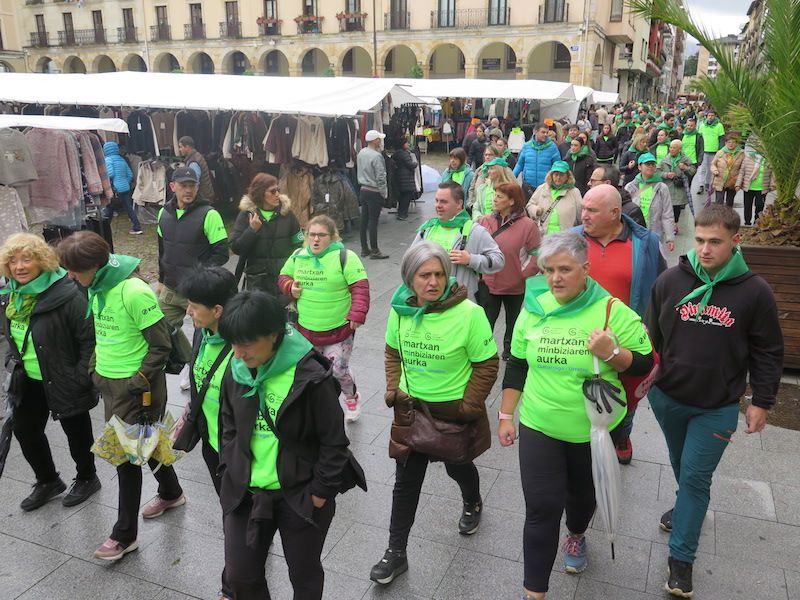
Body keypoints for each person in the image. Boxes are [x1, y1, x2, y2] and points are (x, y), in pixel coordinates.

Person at [497, 231, 654, 600]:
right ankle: (534, 592)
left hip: (594, 430)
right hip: (539, 424)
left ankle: (578, 534)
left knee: (581, 499)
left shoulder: (611, 310)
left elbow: (645, 363)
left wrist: (613, 352)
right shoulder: (532, 308)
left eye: (565, 269)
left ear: (585, 269)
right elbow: (517, 365)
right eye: (549, 269)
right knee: (541, 507)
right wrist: (507, 414)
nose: (555, 278)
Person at [645, 205, 783, 598]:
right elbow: (649, 337)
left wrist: (762, 401)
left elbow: (768, 351)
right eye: (700, 240)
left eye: (715, 242)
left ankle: (681, 561)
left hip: (717, 406)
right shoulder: (671, 280)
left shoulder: (755, 292)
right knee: (681, 467)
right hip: (668, 398)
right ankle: (686, 509)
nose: (704, 250)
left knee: (695, 476)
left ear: (735, 241)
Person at [217, 290, 365, 599]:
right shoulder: (237, 370)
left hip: (299, 494)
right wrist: (232, 465)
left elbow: (333, 441)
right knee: (240, 576)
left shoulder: (311, 376)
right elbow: (228, 423)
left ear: (273, 335)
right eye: (233, 343)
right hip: (247, 492)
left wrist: (320, 494)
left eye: (246, 344)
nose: (238, 353)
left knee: (304, 574)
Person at [370, 242, 499, 586]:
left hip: (453, 415)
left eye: (439, 273)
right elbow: (392, 352)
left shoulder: (469, 313)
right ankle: (395, 553)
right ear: (409, 279)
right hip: (411, 413)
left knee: (459, 468)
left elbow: (487, 364)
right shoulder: (399, 310)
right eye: (424, 275)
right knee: (405, 485)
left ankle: (472, 500)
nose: (433, 281)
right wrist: (393, 389)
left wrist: (469, 407)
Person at [57, 231, 185, 562]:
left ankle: (124, 535)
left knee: (126, 458)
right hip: (111, 385)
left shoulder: (133, 290)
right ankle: (171, 492)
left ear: (94, 266)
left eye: (74, 270)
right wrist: (96, 369)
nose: (70, 276)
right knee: (146, 442)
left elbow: (161, 345)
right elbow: (103, 332)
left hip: (137, 390)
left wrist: (137, 380)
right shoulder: (97, 287)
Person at [0, 233, 99, 511]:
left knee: (75, 431)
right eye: (13, 261)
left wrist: (81, 376)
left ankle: (87, 477)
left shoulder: (66, 295)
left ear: (42, 261)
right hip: (28, 379)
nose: (19, 266)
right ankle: (48, 481)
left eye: (26, 259)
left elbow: (89, 339)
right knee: (25, 431)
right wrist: (12, 362)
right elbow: (13, 337)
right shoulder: (13, 297)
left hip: (65, 377)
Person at [576, 184, 665, 463]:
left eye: (592, 210)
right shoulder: (570, 240)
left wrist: (653, 327)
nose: (584, 215)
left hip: (626, 340)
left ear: (615, 213)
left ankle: (622, 433)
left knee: (625, 395)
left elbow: (661, 287)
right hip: (579, 336)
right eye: (583, 208)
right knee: (582, 393)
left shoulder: (645, 242)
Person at [173, 266, 236, 600]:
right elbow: (201, 382)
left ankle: (233, 582)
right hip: (212, 444)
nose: (188, 311)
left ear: (218, 311)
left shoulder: (246, 343)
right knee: (232, 510)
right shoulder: (202, 330)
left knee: (238, 514)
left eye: (194, 306)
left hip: (240, 449)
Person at [278, 215, 370, 422]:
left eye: (321, 235)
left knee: (337, 371)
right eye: (312, 235)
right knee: (313, 371)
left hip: (339, 330)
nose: (316, 240)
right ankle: (315, 406)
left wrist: (357, 314)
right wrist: (289, 287)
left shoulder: (345, 257)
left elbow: (360, 287)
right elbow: (283, 277)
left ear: (332, 236)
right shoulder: (298, 256)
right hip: (306, 330)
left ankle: (351, 397)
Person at [157, 166, 229, 386]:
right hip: (171, 287)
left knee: (205, 336)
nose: (188, 190)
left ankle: (204, 371)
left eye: (193, 185)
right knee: (162, 329)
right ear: (173, 187)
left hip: (197, 291)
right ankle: (190, 362)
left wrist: (201, 278)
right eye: (183, 185)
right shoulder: (164, 213)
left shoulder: (209, 214)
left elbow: (222, 253)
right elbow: (162, 249)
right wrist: (160, 280)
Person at [477, 182, 540, 360]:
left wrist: (523, 274)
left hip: (515, 286)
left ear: (512, 201)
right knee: (485, 322)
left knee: (512, 322)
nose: (494, 199)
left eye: (499, 197)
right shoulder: (485, 221)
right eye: (494, 195)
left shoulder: (528, 226)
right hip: (488, 284)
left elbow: (536, 254)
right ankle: (483, 352)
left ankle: (509, 351)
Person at [411, 181, 504, 301]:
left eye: (444, 202)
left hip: (459, 304)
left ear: (459, 204)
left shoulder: (475, 231)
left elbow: (499, 260)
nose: (438, 205)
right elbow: (411, 262)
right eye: (437, 201)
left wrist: (471, 260)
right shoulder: (427, 229)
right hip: (428, 302)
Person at [229, 173, 303, 297]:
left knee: (283, 314)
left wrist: (293, 271)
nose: (277, 195)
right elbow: (235, 247)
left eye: (278, 190)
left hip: (283, 279)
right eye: (272, 191)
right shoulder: (246, 215)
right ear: (260, 193)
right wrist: (252, 231)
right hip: (257, 281)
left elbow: (300, 246)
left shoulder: (288, 215)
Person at [624, 153, 675, 258]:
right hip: (634, 234)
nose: (651, 166)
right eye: (647, 164)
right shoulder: (630, 187)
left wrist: (670, 238)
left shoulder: (662, 188)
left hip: (654, 234)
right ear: (639, 167)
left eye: (653, 164)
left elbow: (667, 214)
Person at [357, 129, 390, 260]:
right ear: (375, 141)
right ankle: (375, 250)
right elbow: (380, 176)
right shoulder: (376, 156)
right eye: (379, 139)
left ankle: (365, 249)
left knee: (364, 220)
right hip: (374, 191)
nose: (380, 141)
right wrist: (384, 193)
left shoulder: (361, 153)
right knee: (373, 221)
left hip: (363, 189)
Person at [527, 161, 583, 234]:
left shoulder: (574, 192)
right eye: (556, 174)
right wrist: (536, 210)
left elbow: (581, 215)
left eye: (562, 175)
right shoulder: (542, 188)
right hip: (544, 235)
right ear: (551, 175)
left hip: (566, 236)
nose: (558, 178)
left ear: (567, 176)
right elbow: (530, 205)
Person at [101, 141, 140, 235]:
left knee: (109, 210)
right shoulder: (122, 159)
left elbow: (110, 174)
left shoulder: (108, 160)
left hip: (115, 189)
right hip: (125, 188)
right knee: (129, 208)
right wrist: (124, 182)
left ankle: (104, 231)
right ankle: (137, 227)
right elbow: (130, 175)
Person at [660, 140, 696, 235]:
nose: (671, 149)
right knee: (667, 207)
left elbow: (693, 170)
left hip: (679, 187)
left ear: (679, 149)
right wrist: (666, 174)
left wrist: (685, 168)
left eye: (674, 148)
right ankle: (668, 224)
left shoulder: (685, 159)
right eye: (670, 147)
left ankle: (674, 224)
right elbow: (657, 172)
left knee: (676, 206)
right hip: (668, 186)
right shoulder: (665, 159)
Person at [514, 123, 562, 190]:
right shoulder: (526, 146)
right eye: (543, 132)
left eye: (547, 132)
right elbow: (519, 165)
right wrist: (512, 178)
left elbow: (558, 166)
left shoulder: (552, 147)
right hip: (528, 186)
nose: (545, 135)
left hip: (546, 186)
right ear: (535, 132)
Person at [736, 146, 774, 226]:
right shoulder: (748, 158)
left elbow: (772, 174)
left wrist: (772, 184)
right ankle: (747, 223)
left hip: (762, 188)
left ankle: (756, 222)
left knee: (759, 205)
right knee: (747, 206)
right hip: (749, 187)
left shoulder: (769, 160)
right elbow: (741, 172)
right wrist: (738, 184)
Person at [178, 135, 215, 203]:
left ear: (187, 147)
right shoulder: (196, 156)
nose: (179, 150)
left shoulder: (194, 162)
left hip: (202, 198)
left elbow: (194, 183)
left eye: (181, 147)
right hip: (205, 196)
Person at [697, 109, 726, 197]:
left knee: (711, 168)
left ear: (715, 116)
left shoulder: (719, 125)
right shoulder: (702, 126)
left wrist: (721, 150)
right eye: (709, 115)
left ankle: (707, 183)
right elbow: (699, 139)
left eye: (712, 115)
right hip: (704, 150)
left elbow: (721, 139)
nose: (710, 117)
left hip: (714, 151)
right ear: (706, 116)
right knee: (702, 168)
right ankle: (701, 184)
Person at [710, 136, 744, 208]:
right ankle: (719, 218)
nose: (731, 144)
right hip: (720, 180)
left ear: (736, 143)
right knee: (719, 203)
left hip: (732, 181)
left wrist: (738, 180)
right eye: (729, 142)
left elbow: (743, 169)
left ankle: (728, 218)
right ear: (725, 143)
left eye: (733, 142)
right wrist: (715, 170)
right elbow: (713, 164)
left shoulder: (741, 154)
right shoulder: (720, 153)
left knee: (729, 203)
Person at [466, 144, 502, 211]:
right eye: (486, 155)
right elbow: (472, 187)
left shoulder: (502, 171)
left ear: (497, 156)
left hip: (493, 208)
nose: (487, 157)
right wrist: (470, 203)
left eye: (490, 155)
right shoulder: (480, 170)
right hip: (477, 207)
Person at [393, 138, 419, 220]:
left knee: (402, 196)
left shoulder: (396, 154)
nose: (408, 144)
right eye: (406, 143)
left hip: (399, 177)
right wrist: (415, 163)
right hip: (406, 178)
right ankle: (403, 214)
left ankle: (400, 212)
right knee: (407, 196)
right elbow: (410, 164)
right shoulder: (405, 154)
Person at [680, 118, 704, 190]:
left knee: (688, 182)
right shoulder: (682, 135)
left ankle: (687, 197)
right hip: (682, 161)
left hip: (692, 163)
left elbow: (701, 149)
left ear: (695, 126)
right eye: (688, 125)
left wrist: (699, 161)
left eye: (691, 125)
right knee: (681, 182)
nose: (689, 127)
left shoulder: (698, 136)